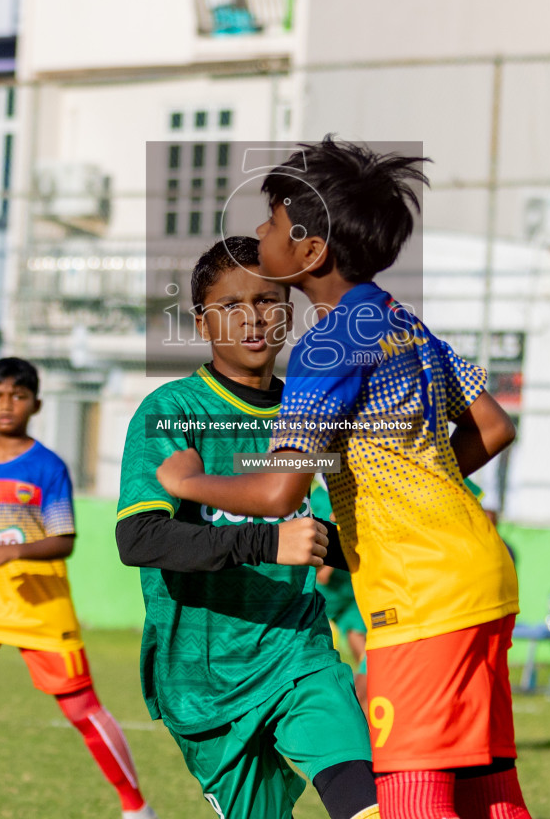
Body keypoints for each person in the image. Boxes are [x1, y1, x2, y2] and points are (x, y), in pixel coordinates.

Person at [155, 139, 527, 819]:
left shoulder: (325, 346)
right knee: (486, 789)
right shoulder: (399, 319)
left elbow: (280, 493)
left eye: (270, 222)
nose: (261, 233)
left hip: (419, 595)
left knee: (410, 794)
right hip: (479, 575)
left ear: (310, 250)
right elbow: (494, 425)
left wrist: (191, 482)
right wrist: (416, 480)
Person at [117, 236, 379, 819]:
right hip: (202, 677)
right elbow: (139, 539)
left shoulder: (311, 413)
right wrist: (267, 541)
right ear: (202, 320)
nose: (253, 318)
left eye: (268, 301)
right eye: (232, 306)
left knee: (364, 800)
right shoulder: (171, 410)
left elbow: (334, 536)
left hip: (297, 649)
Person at [0, 357, 156, 819]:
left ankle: (136, 808)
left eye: (18, 396)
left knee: (82, 709)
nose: (8, 405)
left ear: (36, 404)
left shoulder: (48, 467)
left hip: (41, 609)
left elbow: (64, 540)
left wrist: (11, 553)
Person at [309, 477, 368, 709]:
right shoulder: (314, 500)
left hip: (356, 592)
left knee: (367, 663)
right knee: (366, 665)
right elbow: (321, 574)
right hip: (337, 600)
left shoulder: (351, 486)